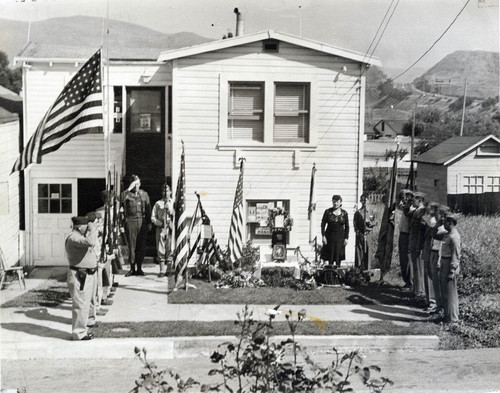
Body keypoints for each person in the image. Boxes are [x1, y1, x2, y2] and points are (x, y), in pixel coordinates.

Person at [65, 216, 98, 341]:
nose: (87, 228)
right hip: (80, 275)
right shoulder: (73, 238)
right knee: (80, 304)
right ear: (79, 227)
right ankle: (79, 333)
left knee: (86, 302)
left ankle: (85, 325)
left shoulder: (79, 237)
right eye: (85, 225)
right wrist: (93, 228)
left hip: (86, 274)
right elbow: (91, 242)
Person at [122, 175, 151, 276]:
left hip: (142, 221)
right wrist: (129, 188)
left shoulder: (144, 194)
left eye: (138, 184)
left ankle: (139, 267)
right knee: (132, 246)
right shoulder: (127, 195)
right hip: (131, 221)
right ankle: (132, 268)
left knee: (141, 246)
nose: (136, 186)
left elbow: (148, 210)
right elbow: (119, 199)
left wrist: (149, 222)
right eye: (134, 184)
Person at [439, 213, 461, 323]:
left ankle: (453, 319)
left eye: (445, 222)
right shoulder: (447, 234)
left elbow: (456, 255)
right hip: (444, 262)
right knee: (445, 292)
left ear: (450, 223)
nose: (443, 224)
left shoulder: (454, 237)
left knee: (451, 293)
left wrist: (452, 270)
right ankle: (447, 316)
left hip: (450, 264)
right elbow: (435, 234)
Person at [151, 184, 174, 278]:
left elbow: (176, 215)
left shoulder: (173, 202)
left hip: (170, 227)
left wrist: (170, 210)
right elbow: (153, 217)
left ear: (170, 192)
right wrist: (159, 223)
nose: (166, 193)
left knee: (169, 248)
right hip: (161, 228)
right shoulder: (158, 203)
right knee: (161, 248)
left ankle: (168, 270)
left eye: (167, 191)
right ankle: (162, 270)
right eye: (164, 191)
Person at [321, 194, 349, 267]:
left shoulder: (344, 213)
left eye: (337, 202)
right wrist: (323, 236)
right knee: (330, 257)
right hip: (330, 237)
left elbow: (347, 226)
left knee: (338, 257)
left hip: (340, 238)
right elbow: (323, 224)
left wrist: (346, 238)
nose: (335, 204)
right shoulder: (327, 212)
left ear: (340, 202)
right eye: (334, 202)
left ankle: (337, 275)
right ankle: (330, 275)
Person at [408, 192, 426, 301]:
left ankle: (420, 291)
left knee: (419, 266)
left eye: (414, 200)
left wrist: (419, 245)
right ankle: (416, 289)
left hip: (418, 243)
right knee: (415, 266)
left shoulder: (422, 212)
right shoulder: (416, 211)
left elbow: (421, 230)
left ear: (419, 201)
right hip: (413, 241)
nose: (412, 201)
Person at [353, 194, 375, 270]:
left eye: (366, 200)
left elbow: (375, 222)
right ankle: (358, 269)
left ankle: (367, 269)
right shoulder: (358, 212)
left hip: (368, 234)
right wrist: (358, 232)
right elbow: (355, 224)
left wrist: (370, 223)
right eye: (362, 200)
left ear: (368, 201)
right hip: (361, 234)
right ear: (360, 201)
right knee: (359, 252)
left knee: (368, 251)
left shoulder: (371, 212)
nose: (364, 202)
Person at [397, 189, 414, 289]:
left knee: (407, 259)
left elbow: (407, 211)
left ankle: (410, 281)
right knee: (403, 259)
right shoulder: (404, 207)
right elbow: (399, 206)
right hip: (402, 234)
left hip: (408, 235)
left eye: (404, 197)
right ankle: (406, 280)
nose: (402, 200)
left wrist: (405, 204)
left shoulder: (410, 208)